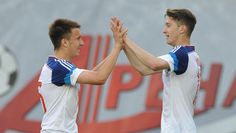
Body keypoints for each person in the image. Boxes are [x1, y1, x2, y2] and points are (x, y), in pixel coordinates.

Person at [113, 9, 200, 133]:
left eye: (168, 25)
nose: (164, 30)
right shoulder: (187, 55)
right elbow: (143, 69)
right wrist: (124, 46)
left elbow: (153, 64)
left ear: (182, 29)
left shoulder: (182, 54)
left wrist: (126, 39)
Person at [38, 18, 126, 133]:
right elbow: (100, 78)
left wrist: (117, 48)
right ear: (65, 42)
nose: (82, 43)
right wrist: (117, 47)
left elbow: (93, 74)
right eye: (78, 38)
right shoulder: (59, 67)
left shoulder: (57, 65)